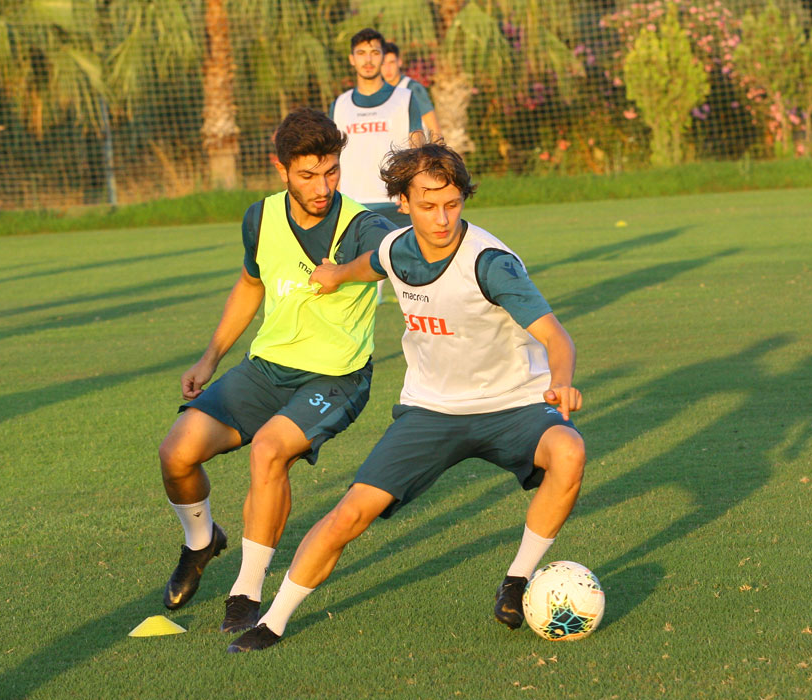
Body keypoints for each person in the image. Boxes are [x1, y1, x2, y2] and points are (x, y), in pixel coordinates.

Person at [226, 142, 586, 653]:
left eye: (452, 204)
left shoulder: (490, 264)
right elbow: (371, 264)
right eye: (427, 205)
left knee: (569, 452)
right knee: (349, 513)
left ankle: (517, 580)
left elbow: (557, 338)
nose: (442, 218)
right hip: (430, 412)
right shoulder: (397, 248)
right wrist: (333, 275)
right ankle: (274, 620)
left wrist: (563, 381)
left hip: (513, 405)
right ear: (402, 202)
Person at [157, 107, 395, 636]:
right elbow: (250, 284)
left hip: (336, 378)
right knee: (176, 452)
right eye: (308, 174)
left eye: (331, 170)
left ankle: (247, 589)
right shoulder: (259, 217)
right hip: (266, 369)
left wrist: (345, 273)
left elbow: (391, 255)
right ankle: (201, 542)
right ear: (280, 168)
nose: (322, 185)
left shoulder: (362, 224)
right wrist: (209, 358)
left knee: (270, 449)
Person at [331, 28, 426, 304]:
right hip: (352, 207)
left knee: (416, 294)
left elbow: (417, 147)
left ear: (384, 56)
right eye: (361, 53)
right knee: (355, 299)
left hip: (395, 206)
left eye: (374, 52)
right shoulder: (339, 105)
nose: (368, 59)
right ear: (352, 59)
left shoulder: (405, 98)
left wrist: (415, 194)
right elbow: (331, 158)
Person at [381, 41, 442, 141]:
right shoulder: (379, 92)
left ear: (399, 62)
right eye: (383, 64)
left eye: (391, 62)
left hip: (415, 153)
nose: (387, 69)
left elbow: (434, 128)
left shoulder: (412, 88)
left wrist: (438, 153)